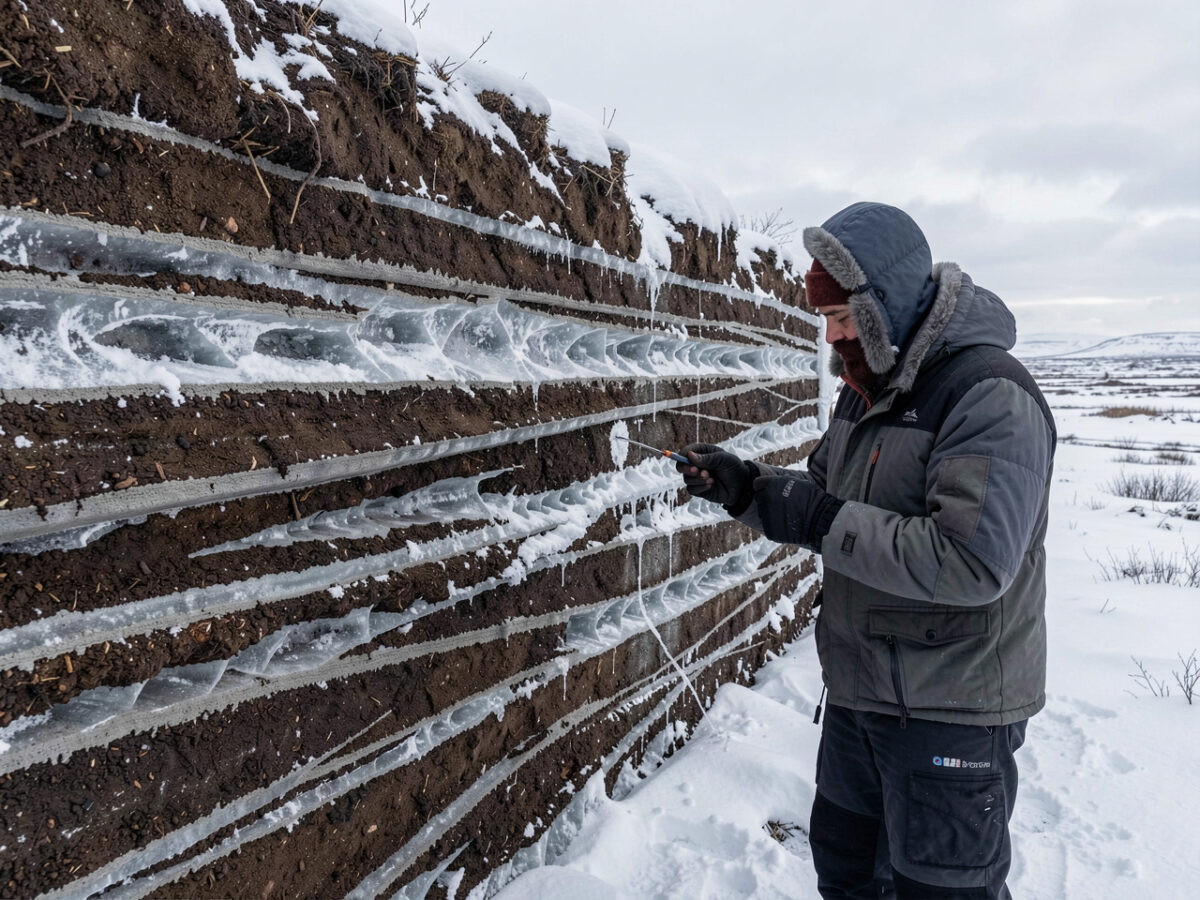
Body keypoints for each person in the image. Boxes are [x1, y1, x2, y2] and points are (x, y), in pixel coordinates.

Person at [677, 201, 1055, 899]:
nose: (833, 338)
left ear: (889, 307)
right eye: (825, 320)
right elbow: (824, 495)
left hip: (951, 709)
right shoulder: (866, 389)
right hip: (860, 698)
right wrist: (746, 488)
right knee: (848, 878)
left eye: (844, 319)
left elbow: (972, 564)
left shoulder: (988, 396)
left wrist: (821, 519)